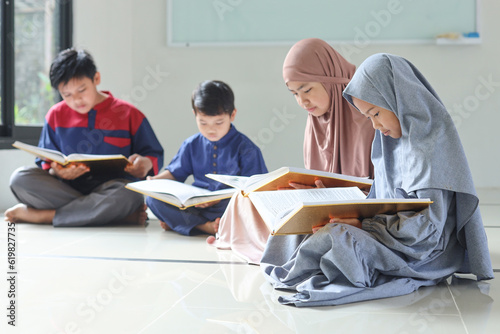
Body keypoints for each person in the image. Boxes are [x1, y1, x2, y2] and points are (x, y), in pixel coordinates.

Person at [260, 53, 494, 307]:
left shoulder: (429, 146)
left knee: (340, 237)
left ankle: (321, 265)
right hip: (389, 232)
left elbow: (426, 233)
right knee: (300, 220)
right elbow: (385, 198)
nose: (375, 125)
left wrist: (364, 224)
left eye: (376, 113)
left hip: (419, 251)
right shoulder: (388, 142)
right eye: (367, 117)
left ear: (400, 100)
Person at [208, 38, 374, 263]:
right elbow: (320, 179)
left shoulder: (369, 118)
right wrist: (307, 187)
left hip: (359, 216)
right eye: (294, 93)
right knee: (244, 198)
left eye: (306, 90)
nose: (302, 101)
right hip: (324, 207)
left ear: (332, 80)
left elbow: (380, 192)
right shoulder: (315, 122)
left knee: (318, 236)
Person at [4, 48, 164, 227]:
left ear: (96, 79)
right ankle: (113, 215)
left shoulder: (128, 113)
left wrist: (145, 164)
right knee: (20, 179)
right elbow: (46, 162)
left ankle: (45, 216)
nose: (76, 100)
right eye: (67, 95)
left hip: (112, 189)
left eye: (82, 90)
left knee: (130, 193)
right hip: (65, 188)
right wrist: (56, 171)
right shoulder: (55, 115)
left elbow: (153, 154)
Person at [146, 80, 267, 236]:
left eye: (218, 122)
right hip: (196, 206)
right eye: (203, 122)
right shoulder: (191, 144)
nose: (211, 129)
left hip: (227, 206)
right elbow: (175, 173)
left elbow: (256, 189)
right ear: (194, 115)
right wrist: (155, 182)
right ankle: (204, 226)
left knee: (247, 207)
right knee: (153, 200)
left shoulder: (246, 148)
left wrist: (218, 198)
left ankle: (183, 224)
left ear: (233, 115)